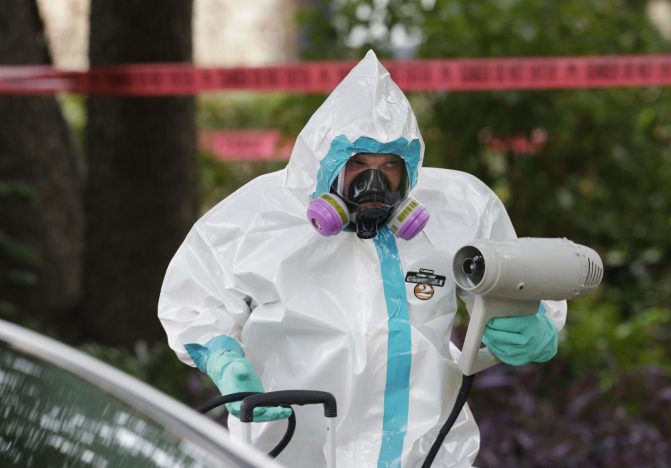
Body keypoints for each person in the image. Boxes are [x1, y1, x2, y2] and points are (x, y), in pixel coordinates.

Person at [158, 51, 565, 468]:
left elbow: (520, 284)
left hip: (425, 453)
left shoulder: (460, 208)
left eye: (391, 165)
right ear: (324, 164)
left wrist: (534, 324)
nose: (376, 181)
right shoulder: (260, 215)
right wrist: (223, 358)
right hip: (286, 451)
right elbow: (193, 293)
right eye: (358, 164)